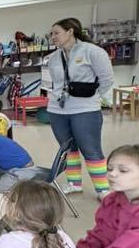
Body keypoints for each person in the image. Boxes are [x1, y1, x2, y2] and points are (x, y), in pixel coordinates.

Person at [46, 17, 114, 198]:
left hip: (85, 110)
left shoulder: (93, 52)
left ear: (70, 31)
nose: (53, 37)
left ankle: (103, 190)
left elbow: (107, 80)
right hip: (57, 110)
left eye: (56, 33)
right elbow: (53, 84)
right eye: (51, 34)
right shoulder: (53, 58)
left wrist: (90, 97)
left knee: (91, 149)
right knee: (68, 149)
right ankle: (74, 183)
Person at [72, 145, 139, 248]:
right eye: (109, 169)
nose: (112, 174)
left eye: (123, 170)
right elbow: (99, 236)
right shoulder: (113, 200)